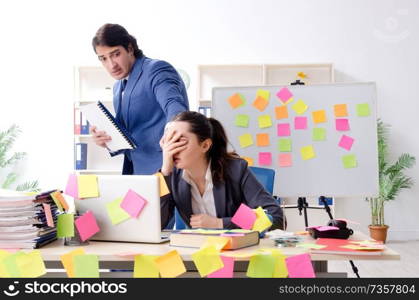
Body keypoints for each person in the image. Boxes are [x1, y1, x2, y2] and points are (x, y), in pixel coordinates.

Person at [160, 111, 285, 230]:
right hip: (195, 248)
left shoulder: (236, 170)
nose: (171, 149)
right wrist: (164, 173)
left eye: (180, 142)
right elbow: (156, 224)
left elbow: (276, 218)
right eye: (169, 141)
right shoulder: (170, 176)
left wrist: (219, 223)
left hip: (238, 249)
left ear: (205, 145)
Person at [90, 23, 189, 175]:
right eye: (103, 58)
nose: (111, 65)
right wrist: (106, 140)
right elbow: (129, 136)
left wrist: (171, 138)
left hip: (165, 170)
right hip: (135, 171)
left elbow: (175, 108)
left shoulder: (156, 70)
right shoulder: (118, 87)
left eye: (116, 54)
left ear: (130, 48)